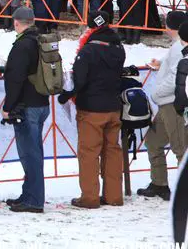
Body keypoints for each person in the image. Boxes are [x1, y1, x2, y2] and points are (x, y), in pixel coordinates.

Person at [58, 12, 125, 208]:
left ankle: (90, 197)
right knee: (113, 151)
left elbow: (80, 80)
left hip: (91, 110)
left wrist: (65, 95)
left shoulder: (87, 52)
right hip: (113, 107)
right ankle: (114, 196)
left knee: (89, 152)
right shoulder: (119, 48)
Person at [2, 7, 49, 213]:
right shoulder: (40, 41)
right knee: (34, 152)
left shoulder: (22, 46)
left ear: (16, 23)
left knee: (30, 154)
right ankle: (29, 194)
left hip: (27, 106)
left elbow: (16, 79)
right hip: (42, 102)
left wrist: (8, 107)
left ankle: (34, 200)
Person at [137, 14, 188, 200]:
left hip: (172, 104)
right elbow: (174, 64)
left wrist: (156, 94)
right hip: (168, 103)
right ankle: (159, 183)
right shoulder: (177, 46)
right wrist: (161, 64)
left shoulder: (179, 47)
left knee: (180, 148)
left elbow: (177, 77)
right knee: (153, 141)